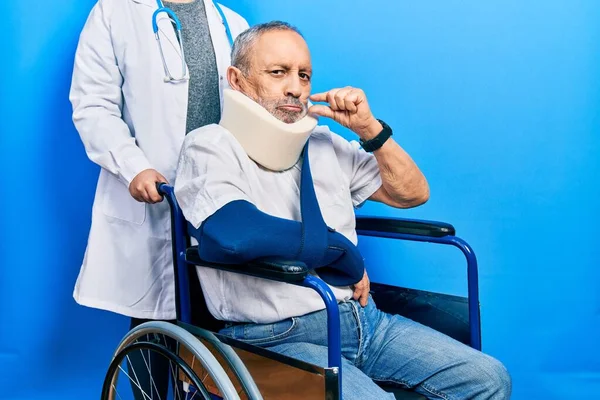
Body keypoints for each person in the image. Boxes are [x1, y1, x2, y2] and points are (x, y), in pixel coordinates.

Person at [174, 21, 512, 400]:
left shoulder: (323, 142)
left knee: (489, 378)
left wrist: (370, 131)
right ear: (237, 79)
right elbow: (234, 234)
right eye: (278, 72)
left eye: (304, 75)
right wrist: (342, 253)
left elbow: (412, 194)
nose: (295, 87)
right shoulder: (210, 146)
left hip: (365, 321)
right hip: (276, 337)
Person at [68, 0, 248, 398]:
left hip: (220, 202)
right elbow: (93, 105)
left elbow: (252, 108)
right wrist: (133, 167)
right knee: (154, 333)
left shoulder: (231, 23)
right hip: (156, 198)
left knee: (219, 345)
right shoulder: (114, 12)